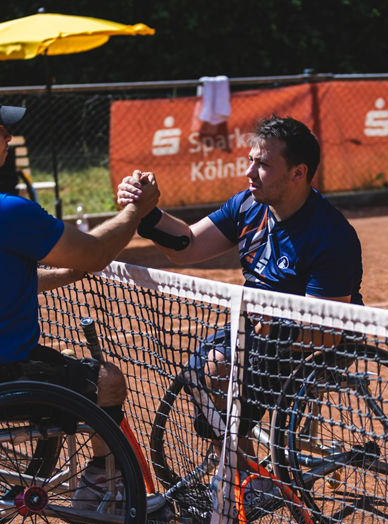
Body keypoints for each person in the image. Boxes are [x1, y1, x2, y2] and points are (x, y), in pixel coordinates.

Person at [0, 85, 159, 510]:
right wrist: (137, 211)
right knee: (107, 380)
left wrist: (62, 273)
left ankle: (65, 471)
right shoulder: (2, 210)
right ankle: (101, 489)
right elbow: (96, 252)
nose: (8, 137)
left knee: (60, 356)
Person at [117, 115, 363, 502]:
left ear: (298, 173)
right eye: (250, 160)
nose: (249, 171)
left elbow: (327, 330)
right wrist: (147, 213)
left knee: (214, 370)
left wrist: (272, 328)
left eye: (263, 164)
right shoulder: (249, 205)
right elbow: (189, 246)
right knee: (202, 371)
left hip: (315, 342)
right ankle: (247, 474)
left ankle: (248, 480)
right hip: (259, 334)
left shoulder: (331, 237)